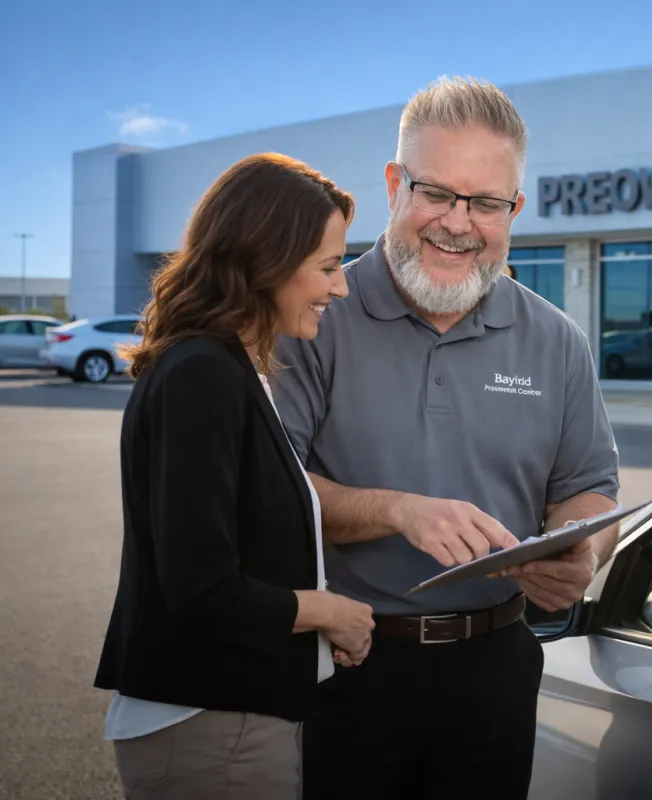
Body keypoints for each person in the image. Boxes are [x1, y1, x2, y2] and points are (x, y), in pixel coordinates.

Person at [268, 76, 621, 799]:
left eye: (486, 202)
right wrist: (400, 510)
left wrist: (578, 550)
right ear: (396, 184)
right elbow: (269, 492)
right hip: (347, 666)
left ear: (514, 209)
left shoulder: (556, 340)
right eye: (437, 193)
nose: (458, 223)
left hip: (495, 669)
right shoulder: (314, 317)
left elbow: (588, 488)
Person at [93, 153, 378, 799]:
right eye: (329, 267)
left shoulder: (226, 367)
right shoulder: (203, 375)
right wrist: (329, 612)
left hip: (228, 724)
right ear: (266, 260)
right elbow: (202, 587)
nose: (341, 288)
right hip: (212, 730)